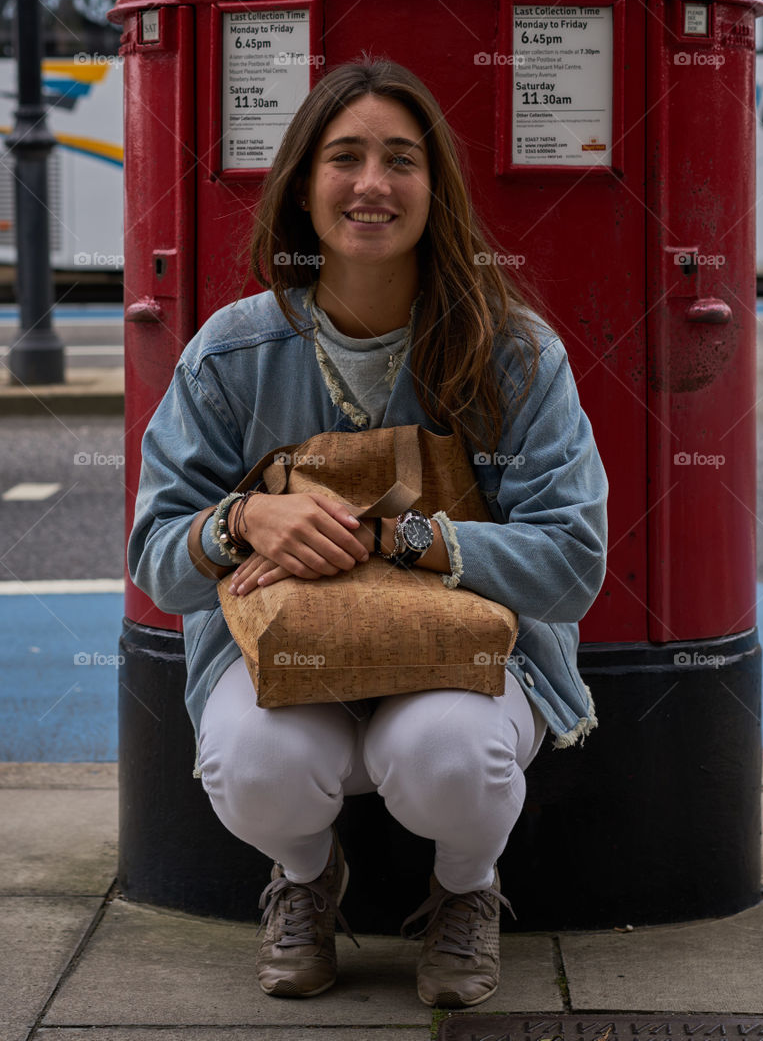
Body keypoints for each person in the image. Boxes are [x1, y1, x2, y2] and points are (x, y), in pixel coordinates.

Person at [128, 55, 608, 1009]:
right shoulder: (229, 354)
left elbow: (572, 565)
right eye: (344, 157)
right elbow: (156, 560)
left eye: (402, 159)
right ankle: (304, 876)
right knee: (255, 763)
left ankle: (467, 888)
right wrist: (241, 518)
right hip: (282, 654)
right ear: (304, 188)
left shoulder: (513, 354)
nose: (372, 185)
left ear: (436, 191)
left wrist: (402, 537)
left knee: (448, 758)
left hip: (460, 661)